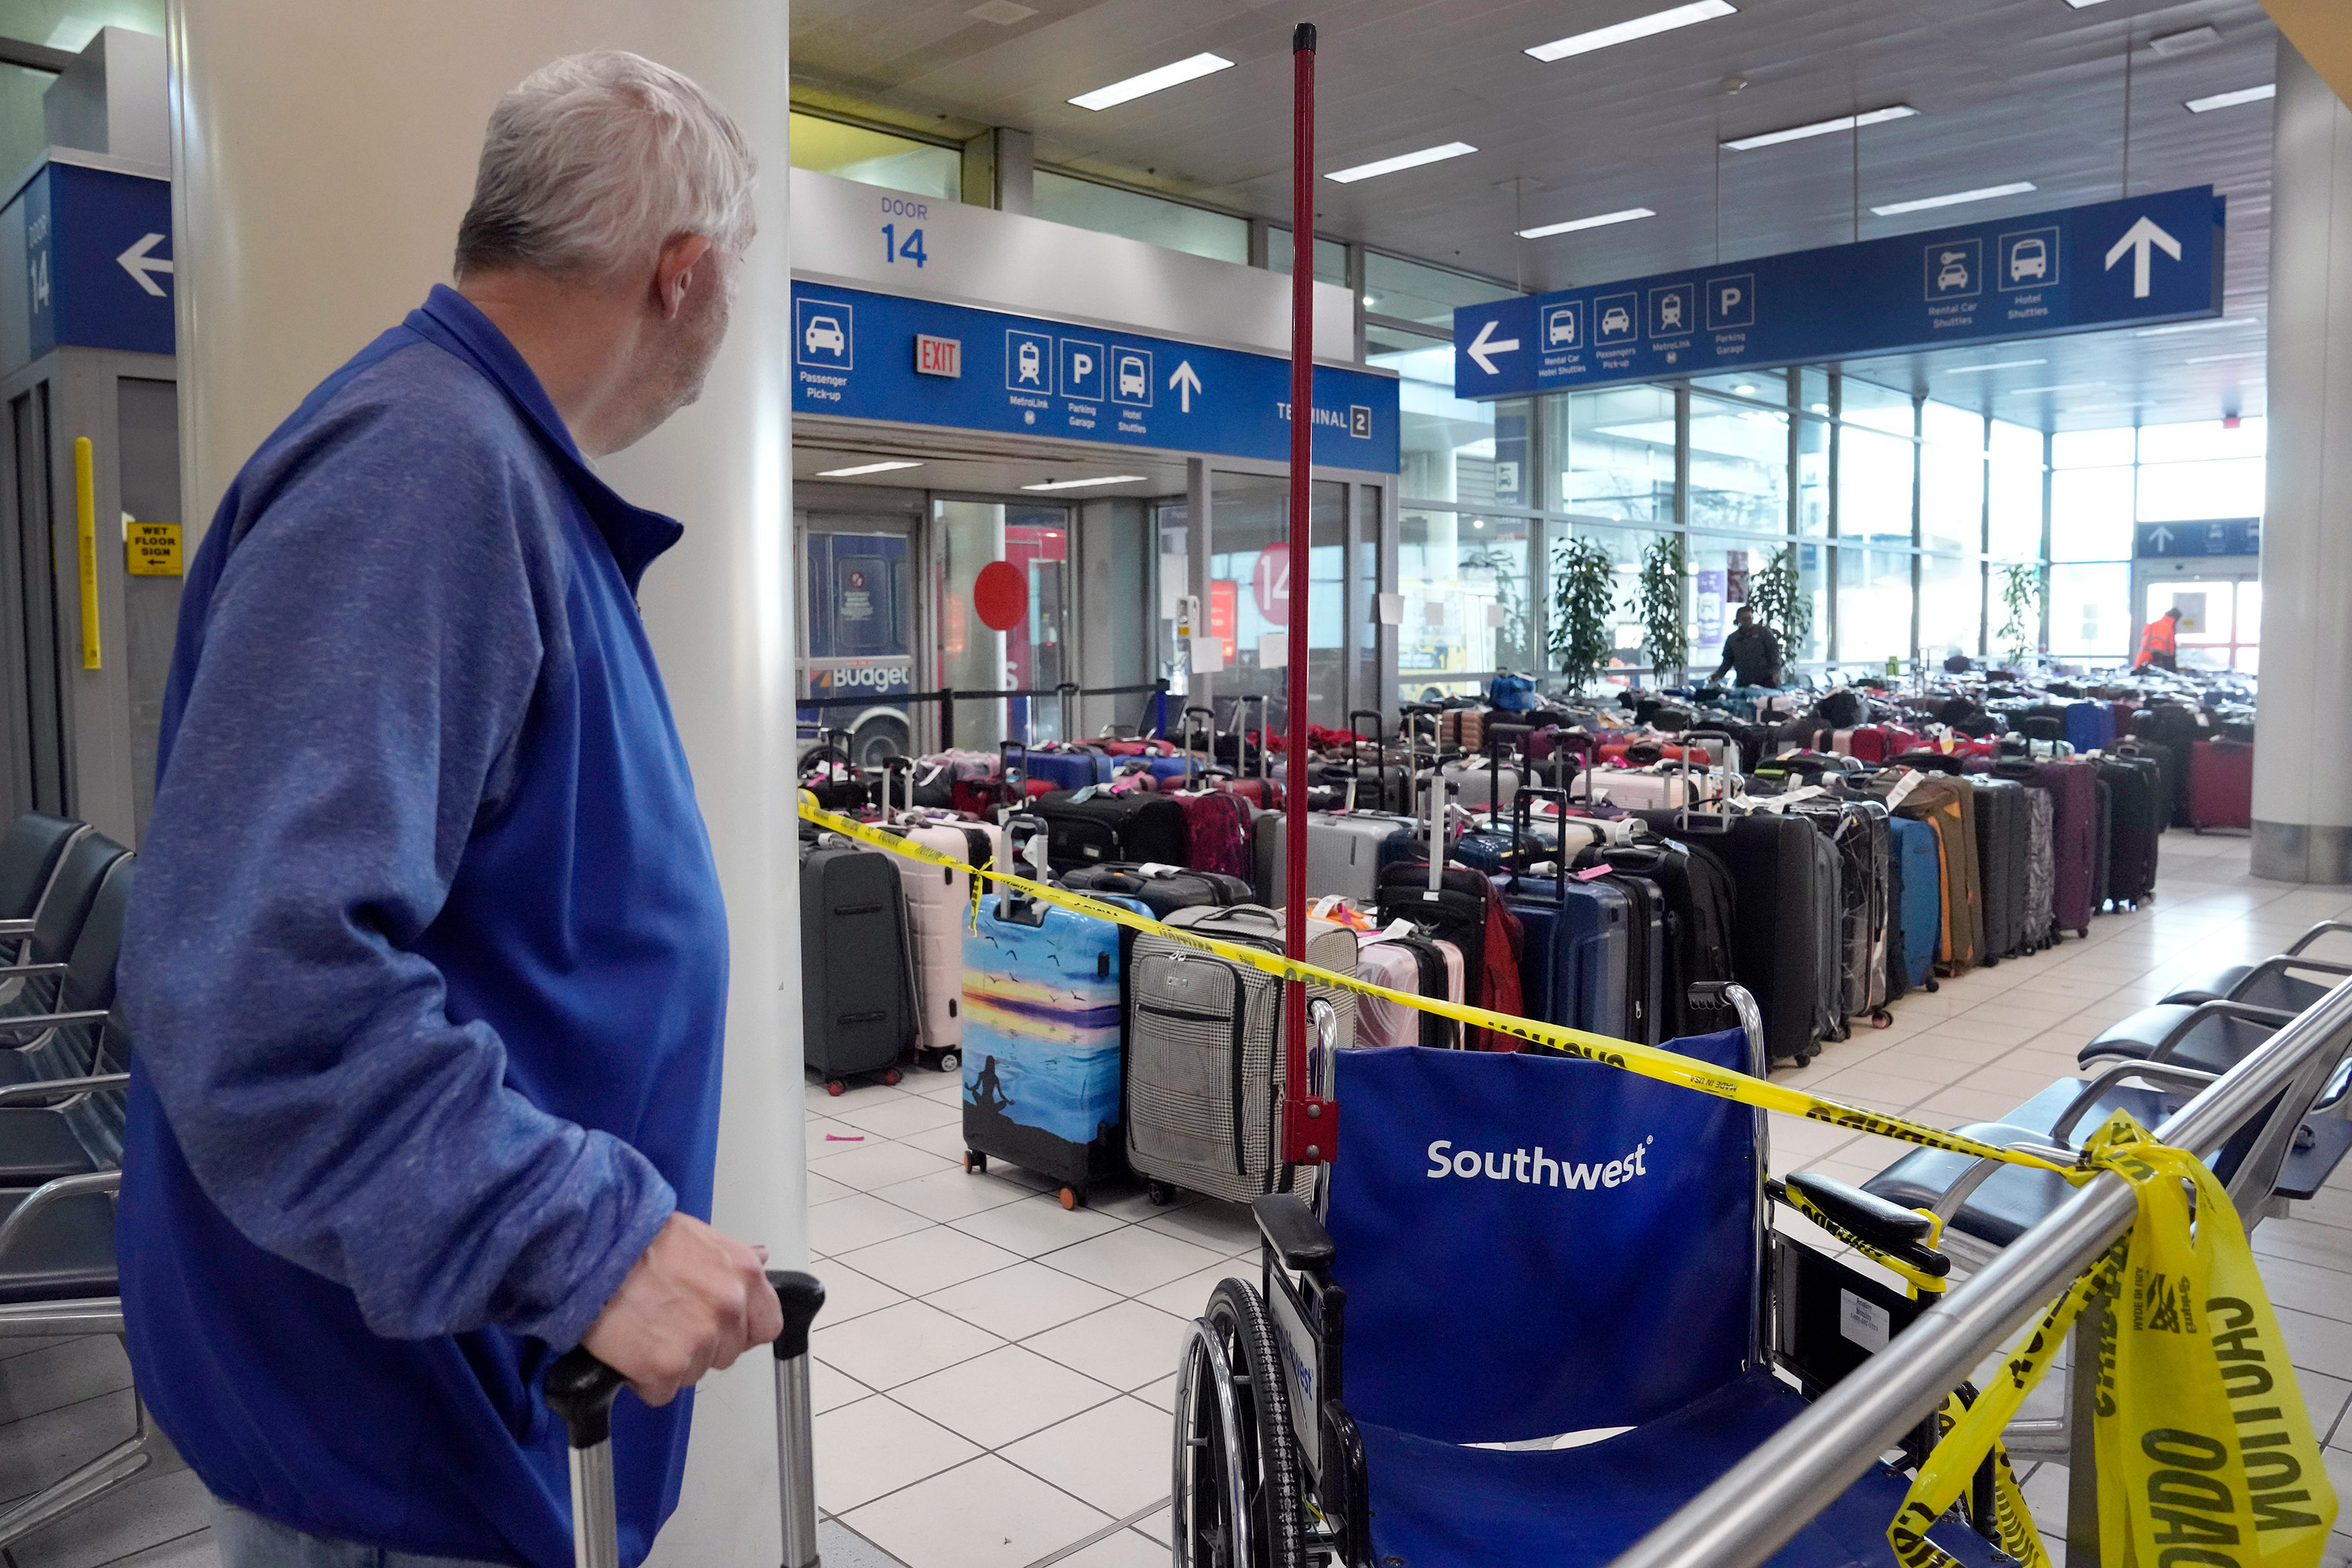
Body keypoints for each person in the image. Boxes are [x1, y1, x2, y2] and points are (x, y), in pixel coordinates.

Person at [117, 53, 780, 1568]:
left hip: (450, 1398)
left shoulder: (480, 464)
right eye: (729, 292)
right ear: (681, 277)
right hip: (395, 1436)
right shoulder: (424, 468)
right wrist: (586, 1236)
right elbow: (257, 993)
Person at [1710, 604, 1784, 688]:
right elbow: (1727, 662)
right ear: (1738, 621)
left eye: (1749, 618)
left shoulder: (1763, 633)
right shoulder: (1733, 639)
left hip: (1766, 680)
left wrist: (1776, 673)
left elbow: (1774, 654)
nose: (1748, 622)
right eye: (1744, 619)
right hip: (1744, 681)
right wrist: (1717, 676)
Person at [2136, 605, 2183, 673]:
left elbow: (2167, 652)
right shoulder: (2163, 626)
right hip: (2147, 666)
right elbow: (2155, 649)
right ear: (2175, 618)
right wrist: (2160, 668)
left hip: (2150, 666)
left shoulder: (2168, 627)